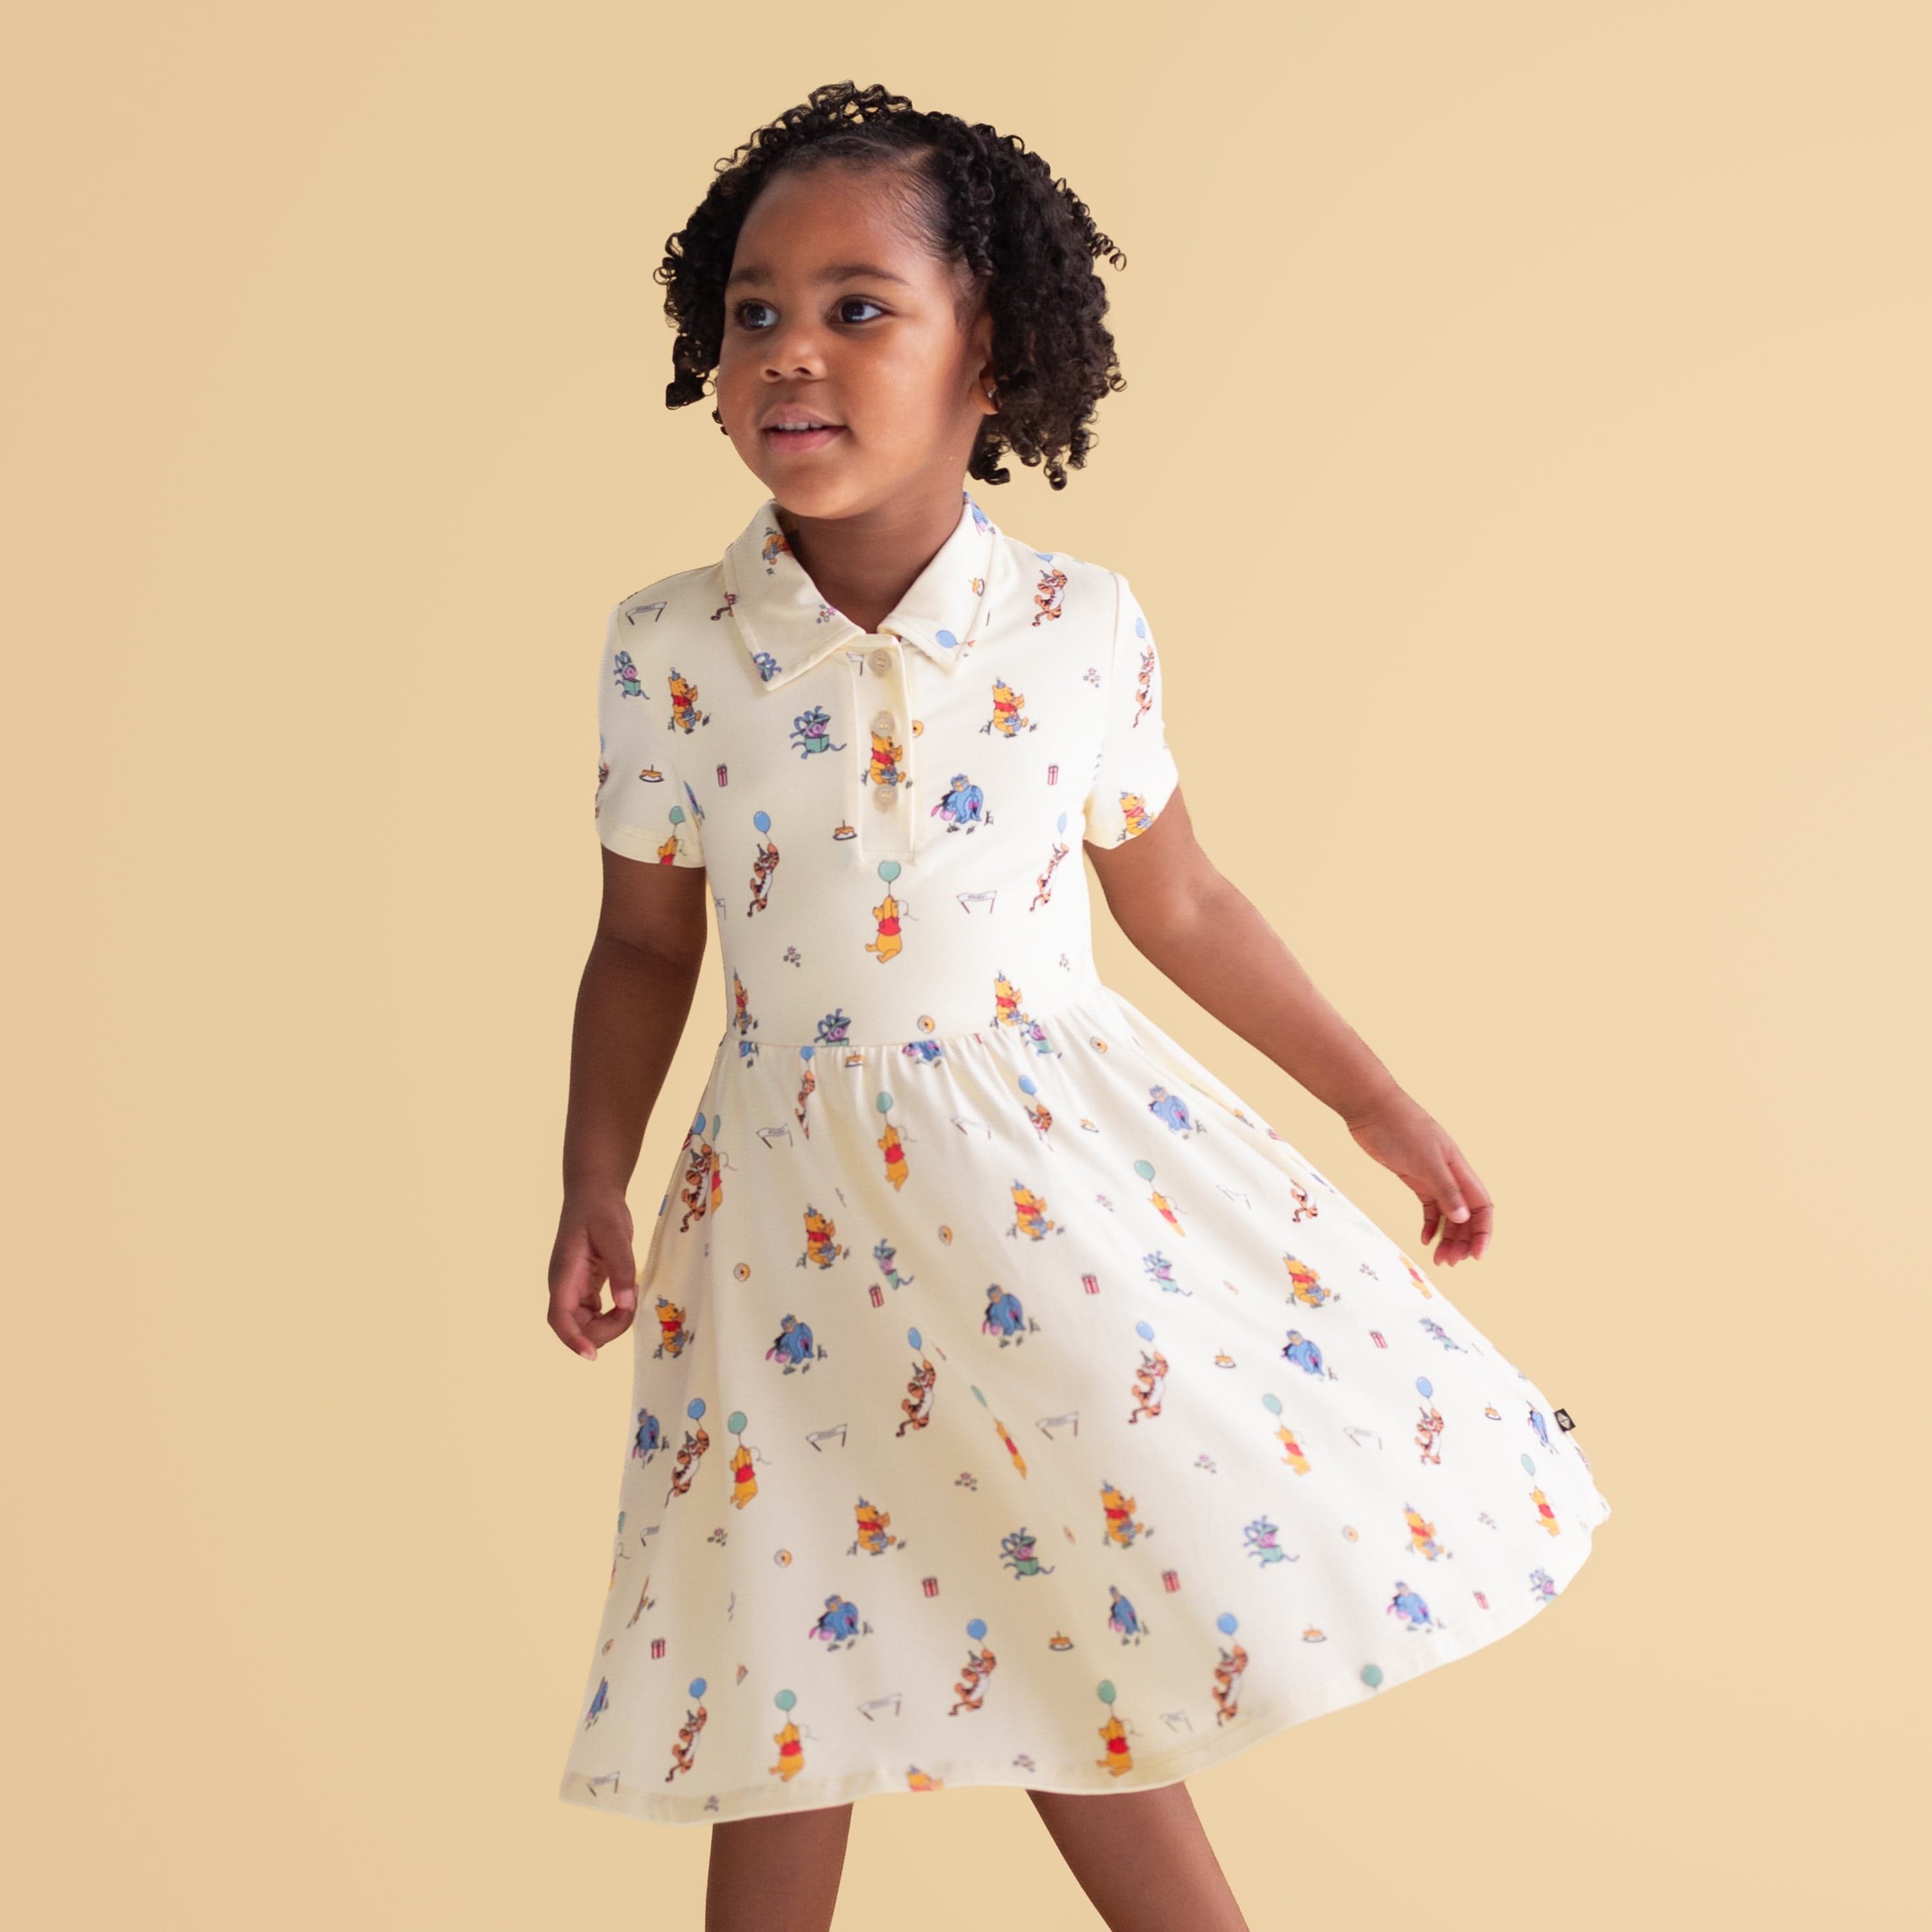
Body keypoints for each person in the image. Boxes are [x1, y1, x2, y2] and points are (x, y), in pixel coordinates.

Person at [548, 80, 1611, 1932]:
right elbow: (646, 945)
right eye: (753, 309)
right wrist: (592, 1181)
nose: (790, 349)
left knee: (1065, 1597)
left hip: (1036, 1205)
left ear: (992, 356)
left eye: (858, 306)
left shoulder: (1079, 629)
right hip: (786, 1227)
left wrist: (1377, 1101)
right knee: (789, 1641)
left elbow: (1178, 897)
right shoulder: (673, 648)